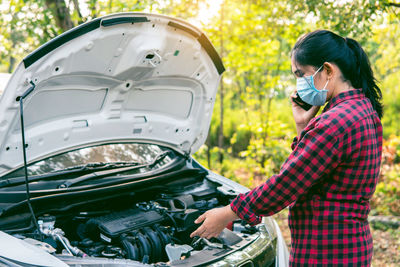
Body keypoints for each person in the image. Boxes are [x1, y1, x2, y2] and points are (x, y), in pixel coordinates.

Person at [190, 30, 383, 266]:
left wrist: (228, 212)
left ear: (328, 70)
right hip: (349, 245)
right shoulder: (361, 109)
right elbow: (316, 173)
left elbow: (288, 183)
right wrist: (303, 125)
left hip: (326, 251)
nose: (299, 84)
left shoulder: (335, 122)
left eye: (301, 74)